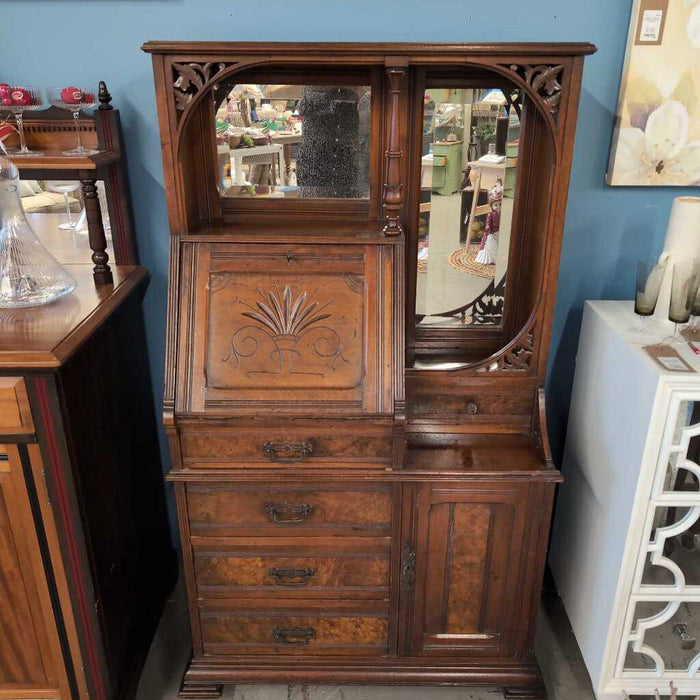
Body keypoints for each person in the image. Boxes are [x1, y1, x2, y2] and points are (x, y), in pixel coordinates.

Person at [475, 181, 503, 266]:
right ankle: (487, 258)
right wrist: (488, 228)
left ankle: (494, 258)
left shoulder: (499, 214)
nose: (498, 207)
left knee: (496, 245)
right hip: (491, 233)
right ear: (491, 205)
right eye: (495, 205)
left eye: (499, 204)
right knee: (490, 245)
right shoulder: (491, 214)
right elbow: (488, 222)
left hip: (497, 232)